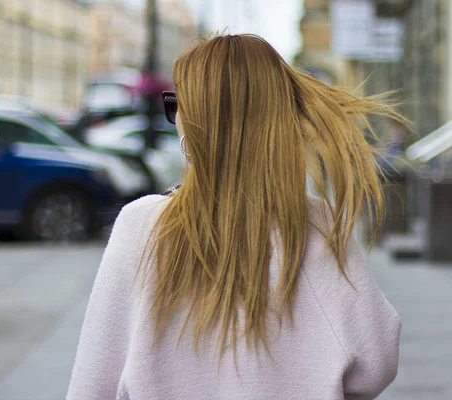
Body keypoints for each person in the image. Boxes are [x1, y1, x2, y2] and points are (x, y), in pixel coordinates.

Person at [67, 35, 402, 400]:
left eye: (177, 104)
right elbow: (375, 363)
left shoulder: (142, 226)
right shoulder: (315, 225)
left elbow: (92, 383)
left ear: (191, 122)